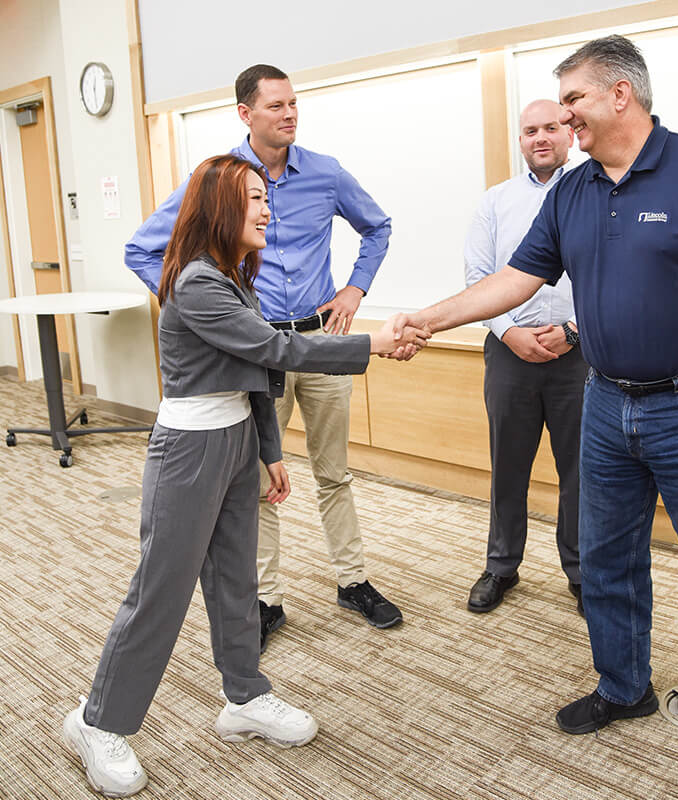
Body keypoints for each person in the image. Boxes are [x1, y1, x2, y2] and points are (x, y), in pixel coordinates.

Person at [393, 36, 678, 771]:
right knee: (607, 560)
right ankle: (623, 685)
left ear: (619, 95)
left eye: (573, 98)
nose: (565, 115)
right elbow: (513, 281)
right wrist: (427, 318)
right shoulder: (572, 192)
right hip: (607, 403)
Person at [63, 155, 427, 798]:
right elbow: (274, 349)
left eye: (267, 197)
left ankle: (246, 697)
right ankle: (98, 722)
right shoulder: (197, 281)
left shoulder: (235, 278)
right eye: (255, 198)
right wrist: (372, 343)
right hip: (188, 450)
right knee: (161, 590)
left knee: (236, 583)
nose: (267, 209)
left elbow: (256, 376)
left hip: (232, 441)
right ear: (219, 210)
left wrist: (267, 450)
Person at [125, 64, 402, 649]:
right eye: (276, 106)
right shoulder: (221, 181)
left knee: (334, 473)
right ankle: (265, 597)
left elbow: (377, 227)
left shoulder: (325, 174)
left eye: (294, 104)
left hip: (319, 338)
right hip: (254, 352)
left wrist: (355, 289)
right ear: (246, 114)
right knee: (257, 480)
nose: (290, 114)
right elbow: (142, 249)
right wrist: (202, 311)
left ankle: (352, 580)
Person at [464, 99, 586, 617]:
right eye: (530, 130)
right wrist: (510, 333)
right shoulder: (496, 202)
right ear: (521, 139)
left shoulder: (594, 192)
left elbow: (609, 280)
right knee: (507, 465)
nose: (541, 137)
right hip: (509, 352)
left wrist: (574, 332)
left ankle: (582, 572)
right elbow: (478, 280)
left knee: (581, 470)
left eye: (551, 127)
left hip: (579, 353)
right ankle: (501, 566)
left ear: (569, 132)